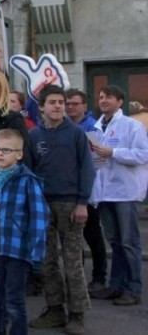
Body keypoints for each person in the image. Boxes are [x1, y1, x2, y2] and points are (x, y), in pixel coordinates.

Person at [26, 85, 95, 334]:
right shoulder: (33, 137)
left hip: (71, 204)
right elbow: (29, 172)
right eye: (52, 102)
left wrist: (82, 202)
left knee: (73, 261)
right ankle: (54, 309)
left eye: (61, 102)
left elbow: (87, 169)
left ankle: (77, 314)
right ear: (41, 107)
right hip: (43, 204)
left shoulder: (76, 134)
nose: (58, 106)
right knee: (47, 260)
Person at [0, 129, 49, 335]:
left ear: (19, 154)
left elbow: (39, 220)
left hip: (18, 251)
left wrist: (36, 253)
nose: (0, 154)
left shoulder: (28, 180)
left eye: (6, 150)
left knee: (13, 301)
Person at [88, 85, 148, 306]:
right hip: (106, 194)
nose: (103, 100)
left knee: (129, 242)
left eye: (109, 97)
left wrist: (113, 152)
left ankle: (133, 289)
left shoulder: (132, 126)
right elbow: (97, 164)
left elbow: (143, 155)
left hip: (126, 192)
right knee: (115, 242)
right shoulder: (95, 128)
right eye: (101, 97)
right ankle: (116, 286)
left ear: (120, 102)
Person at [66, 88, 108, 293]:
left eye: (75, 103)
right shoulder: (62, 126)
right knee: (72, 240)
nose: (70, 107)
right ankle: (77, 279)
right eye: (68, 104)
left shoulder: (91, 128)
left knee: (92, 236)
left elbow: (97, 163)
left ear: (84, 105)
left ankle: (99, 277)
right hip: (68, 193)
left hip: (88, 193)